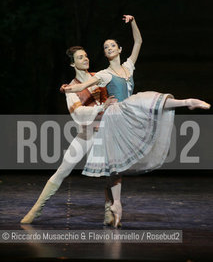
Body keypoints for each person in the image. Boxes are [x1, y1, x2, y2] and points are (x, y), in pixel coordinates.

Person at [63, 14, 211, 227]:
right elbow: (81, 86)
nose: (109, 48)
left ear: (120, 50)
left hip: (130, 112)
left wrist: (133, 22)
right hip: (115, 117)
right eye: (106, 47)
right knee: (116, 165)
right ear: (105, 54)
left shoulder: (128, 66)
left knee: (146, 104)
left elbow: (139, 41)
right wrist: (69, 88)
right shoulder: (104, 74)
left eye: (113, 45)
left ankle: (187, 101)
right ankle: (117, 205)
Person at [20, 46, 117, 225]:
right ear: (73, 63)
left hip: (105, 132)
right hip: (86, 134)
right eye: (80, 57)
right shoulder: (71, 89)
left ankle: (109, 212)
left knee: (110, 173)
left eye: (86, 56)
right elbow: (79, 114)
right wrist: (102, 107)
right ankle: (37, 208)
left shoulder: (99, 77)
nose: (85, 59)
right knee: (63, 170)